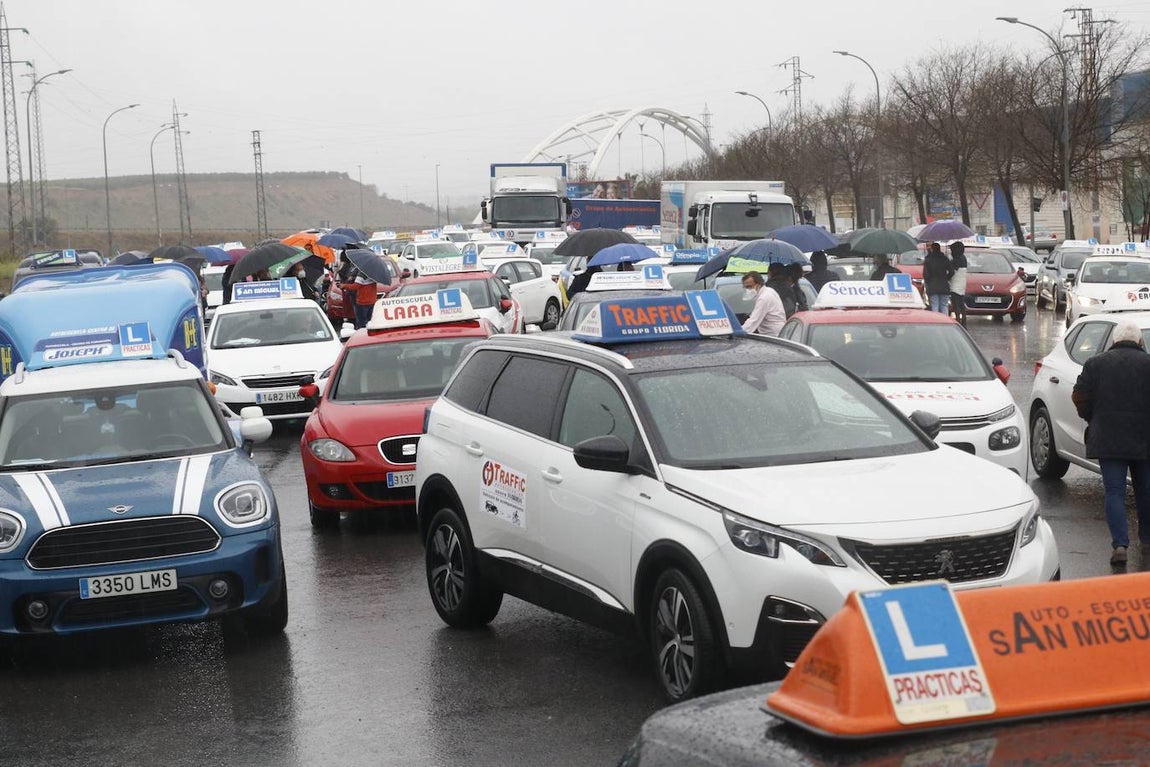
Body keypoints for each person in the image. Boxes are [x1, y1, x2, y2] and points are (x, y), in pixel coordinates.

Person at [1072, 318, 1150, 566]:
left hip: (1108, 437)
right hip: (1145, 439)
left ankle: (1120, 545)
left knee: (1114, 492)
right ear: (1140, 341)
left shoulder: (1095, 364)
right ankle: (1147, 541)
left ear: (1114, 341)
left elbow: (1079, 396)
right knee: (1146, 490)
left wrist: (1092, 417)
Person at [741, 271, 786, 335]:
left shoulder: (764, 298)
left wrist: (739, 332)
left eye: (750, 287)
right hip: (777, 332)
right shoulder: (769, 290)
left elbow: (753, 321)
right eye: (745, 287)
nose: (747, 290)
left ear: (758, 284)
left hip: (772, 334)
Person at [922, 242, 954, 314]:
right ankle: (945, 320)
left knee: (935, 305)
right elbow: (952, 271)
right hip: (944, 285)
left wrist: (929, 282)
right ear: (939, 249)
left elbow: (925, 275)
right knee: (944, 306)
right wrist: (947, 278)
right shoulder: (945, 259)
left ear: (932, 249)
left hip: (933, 286)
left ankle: (936, 320)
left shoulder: (928, 260)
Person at [948, 241, 968, 326]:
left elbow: (952, 272)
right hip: (962, 284)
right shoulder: (963, 258)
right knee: (961, 304)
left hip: (955, 284)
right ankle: (964, 321)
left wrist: (946, 278)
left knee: (956, 304)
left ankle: (958, 321)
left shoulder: (956, 260)